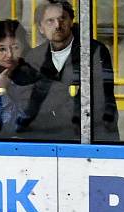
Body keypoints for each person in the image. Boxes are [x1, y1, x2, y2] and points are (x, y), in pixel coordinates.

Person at [13, 0, 118, 140]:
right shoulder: (34, 58)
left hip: (93, 138)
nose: (57, 25)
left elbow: (101, 99)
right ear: (40, 28)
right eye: (50, 21)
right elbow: (29, 104)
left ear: (71, 22)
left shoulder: (94, 51)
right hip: (48, 137)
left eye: (62, 18)